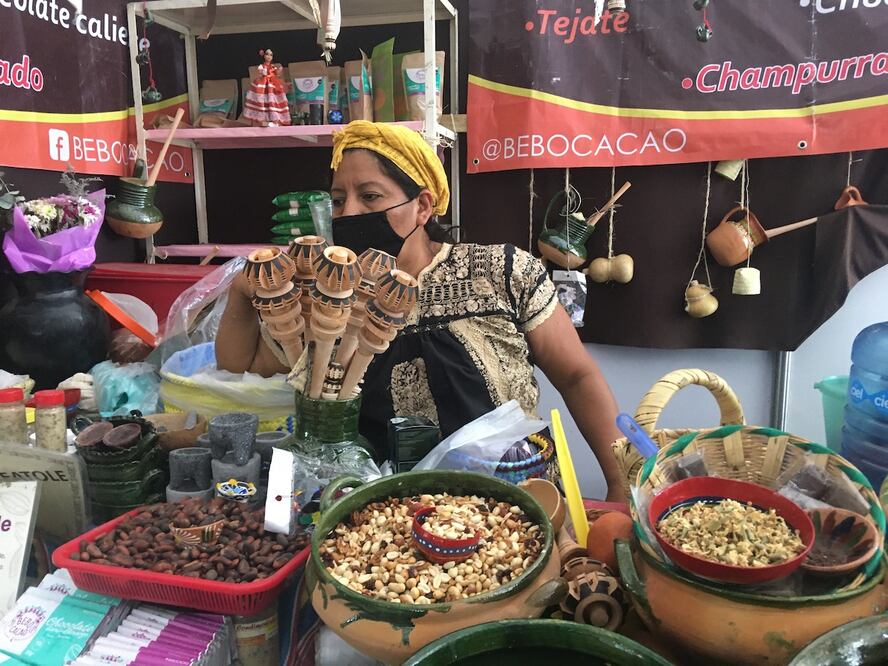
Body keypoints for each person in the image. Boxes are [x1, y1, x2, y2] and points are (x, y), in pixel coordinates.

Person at [216, 121, 625, 501]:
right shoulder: (330, 296)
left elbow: (576, 376)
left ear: (423, 207)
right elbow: (242, 362)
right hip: (384, 521)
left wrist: (619, 483)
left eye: (370, 196)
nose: (350, 214)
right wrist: (241, 292)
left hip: (517, 503)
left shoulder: (500, 271)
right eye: (339, 201)